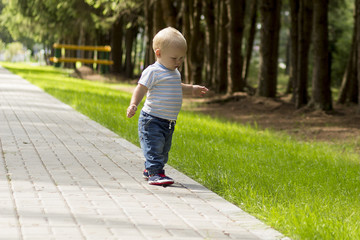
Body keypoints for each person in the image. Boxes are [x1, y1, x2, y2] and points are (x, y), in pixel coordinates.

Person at [126, 27, 208, 186]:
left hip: (168, 122)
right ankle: (155, 174)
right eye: (174, 58)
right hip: (152, 120)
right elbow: (141, 88)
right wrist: (133, 104)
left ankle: (150, 169)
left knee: (163, 151)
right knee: (154, 148)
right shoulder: (153, 71)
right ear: (158, 53)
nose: (178, 62)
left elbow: (178, 87)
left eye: (181, 58)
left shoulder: (174, 73)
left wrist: (192, 89)